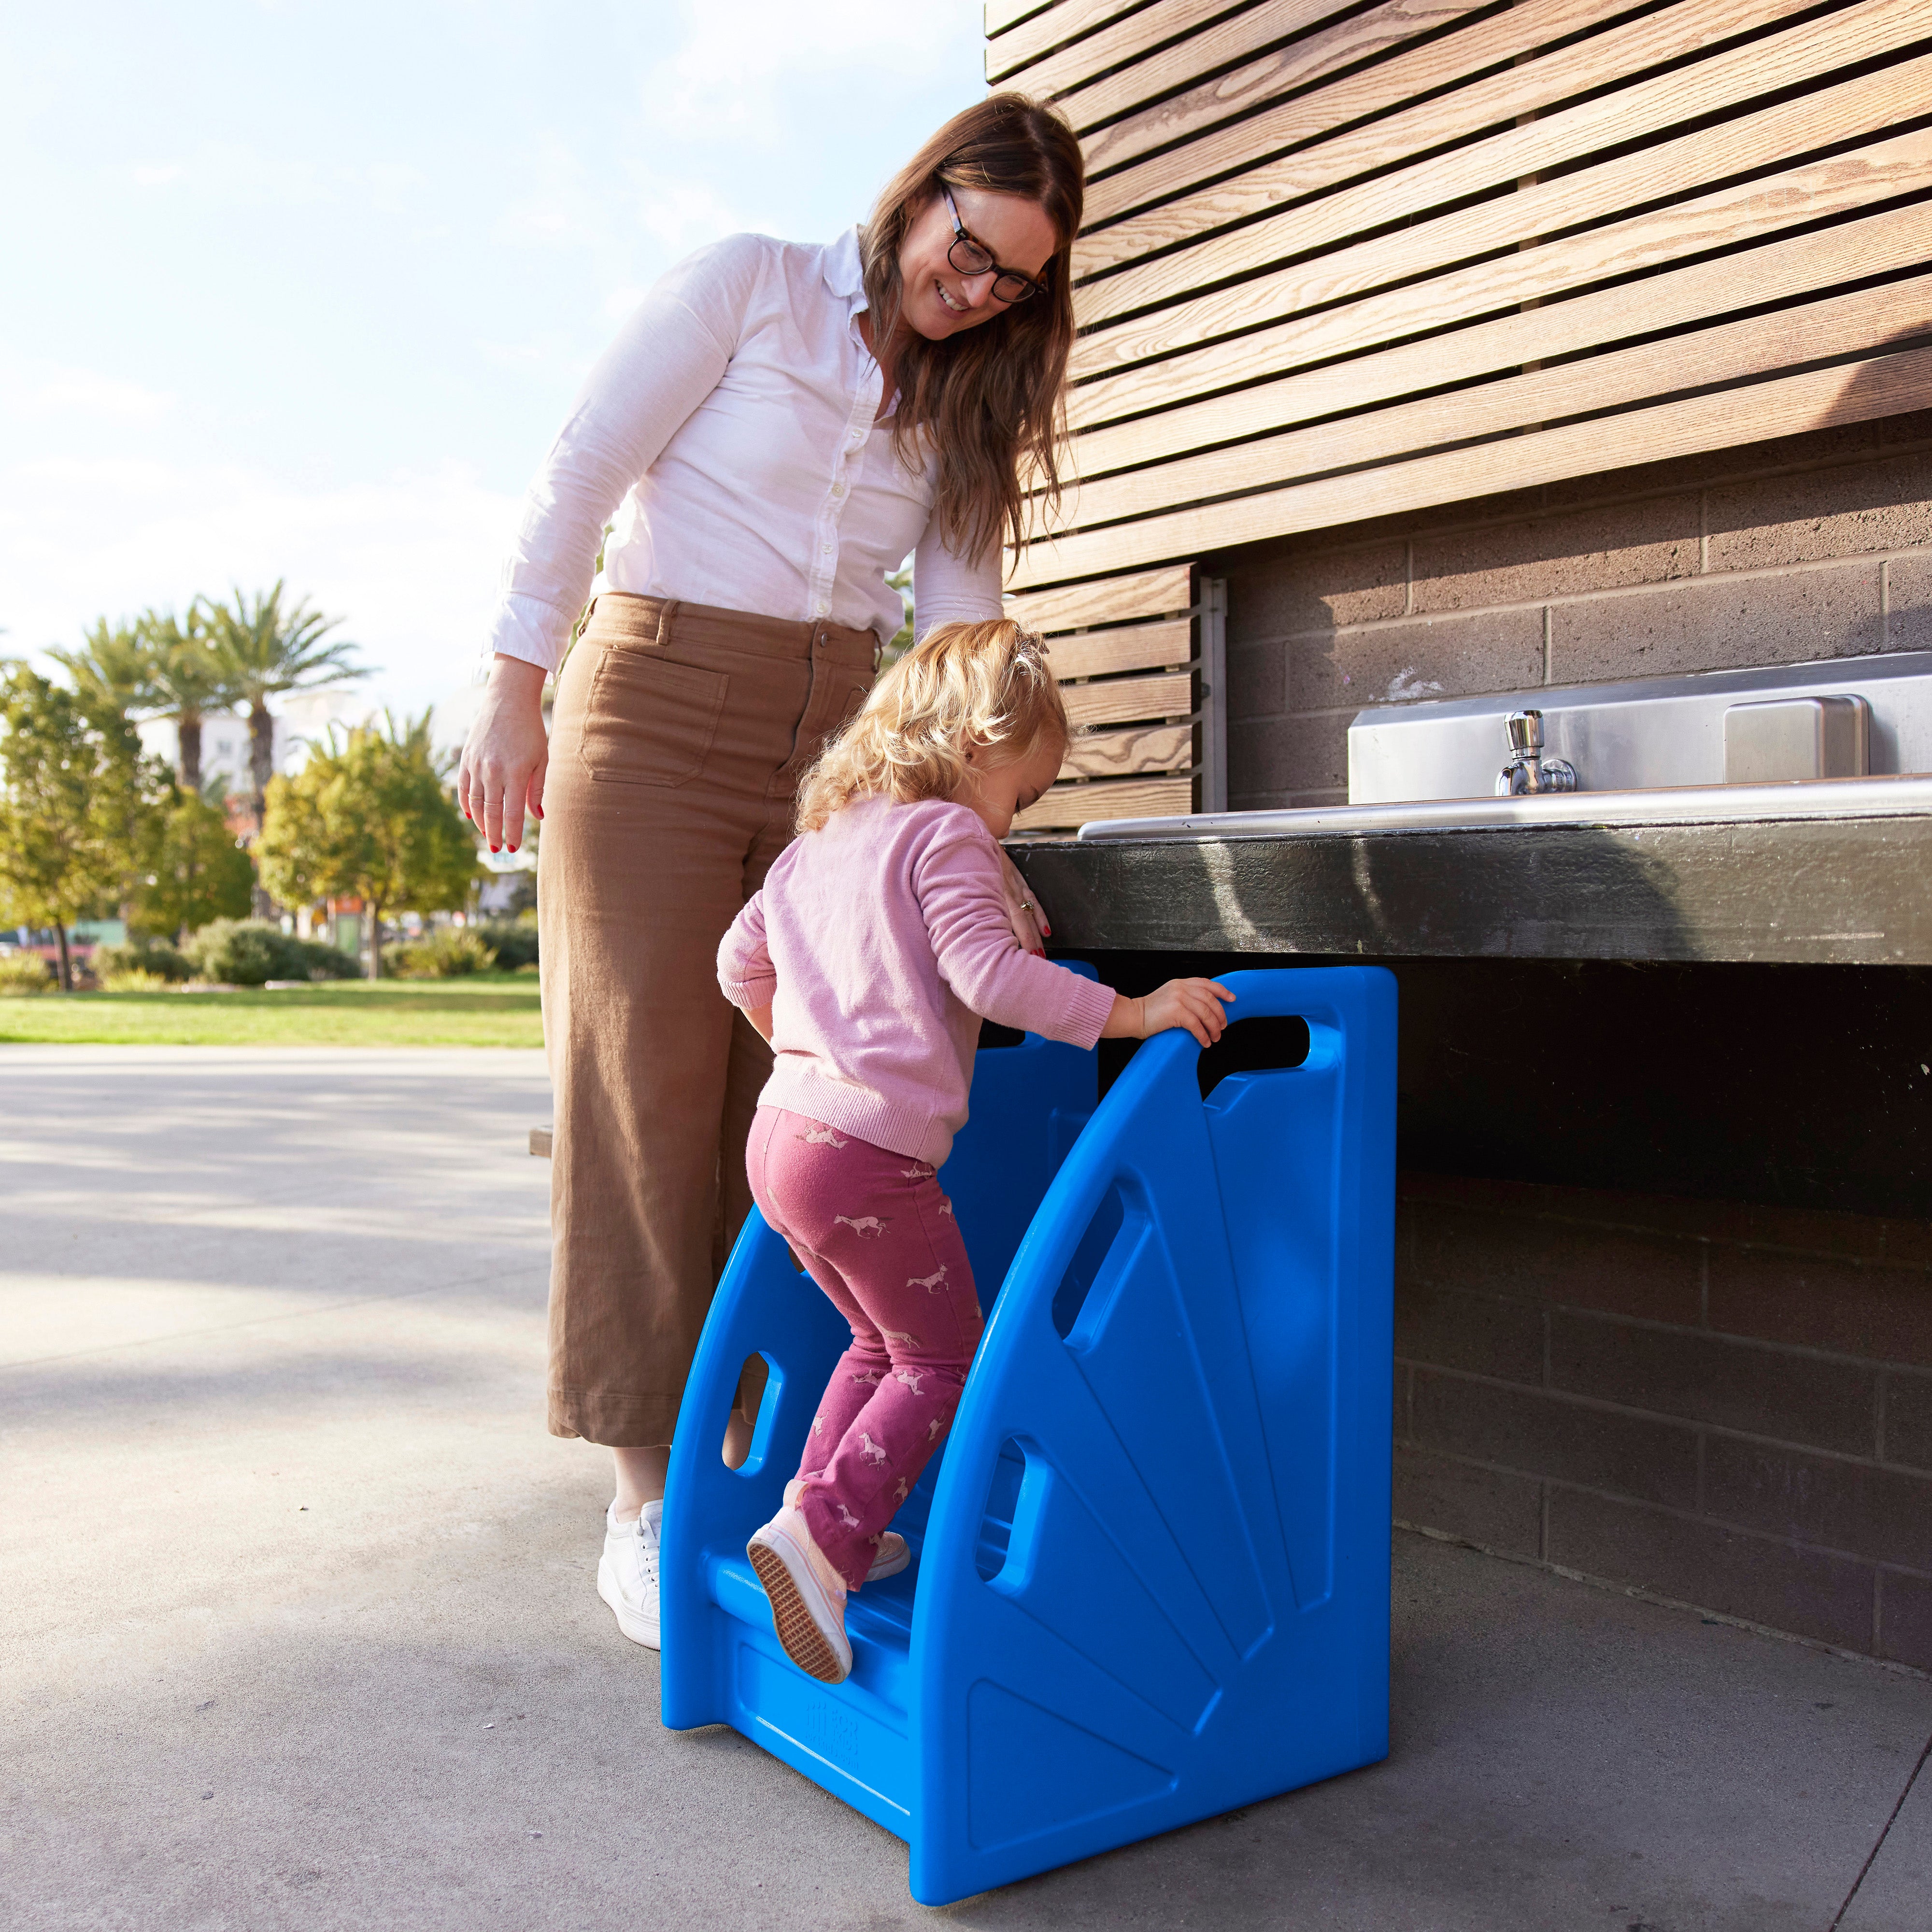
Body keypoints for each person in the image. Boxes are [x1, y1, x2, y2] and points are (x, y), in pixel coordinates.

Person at [457, 95, 1088, 1652]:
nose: (978, 290)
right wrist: (513, 684)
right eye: (970, 248)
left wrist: (970, 838)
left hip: (839, 751)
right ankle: (643, 1498)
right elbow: (585, 465)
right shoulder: (748, 286)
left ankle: (785, 1485)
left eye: (1015, 282)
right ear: (924, 192)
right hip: (655, 709)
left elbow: (953, 634)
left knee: (799, 1109)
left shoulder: (961, 400)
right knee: (642, 1097)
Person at [715, 618, 1235, 1683]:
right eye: (1022, 795)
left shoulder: (817, 846)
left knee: (876, 1343)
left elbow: (736, 966)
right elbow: (989, 978)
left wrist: (808, 1055)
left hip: (783, 1141)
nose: (1014, 819)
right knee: (945, 1358)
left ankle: (817, 1525)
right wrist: (1130, 1011)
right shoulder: (944, 836)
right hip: (865, 1153)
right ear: (973, 742)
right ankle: (824, 1533)